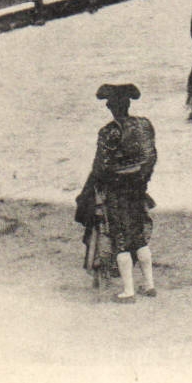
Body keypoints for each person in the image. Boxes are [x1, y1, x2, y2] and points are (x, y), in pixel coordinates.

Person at [76, 84, 158, 302]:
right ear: (129, 104)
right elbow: (151, 158)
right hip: (138, 189)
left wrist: (94, 191)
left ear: (112, 107)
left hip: (117, 192)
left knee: (119, 238)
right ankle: (149, 285)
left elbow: (100, 169)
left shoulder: (109, 131)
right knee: (139, 236)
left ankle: (128, 291)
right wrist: (141, 180)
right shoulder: (144, 124)